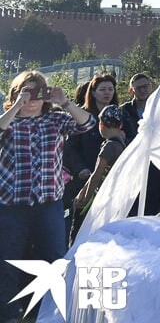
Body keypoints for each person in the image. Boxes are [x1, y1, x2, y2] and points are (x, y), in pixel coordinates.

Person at [1, 71, 94, 322]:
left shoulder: (55, 120)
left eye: (37, 93)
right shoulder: (8, 122)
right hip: (11, 205)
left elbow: (87, 123)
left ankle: (51, 311)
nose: (32, 98)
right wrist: (17, 106)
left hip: (48, 202)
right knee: (6, 260)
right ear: (15, 94)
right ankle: (8, 314)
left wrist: (64, 101)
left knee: (54, 258)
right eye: (25, 92)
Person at [72, 105, 127, 233]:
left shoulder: (109, 146)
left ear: (101, 124)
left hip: (102, 197)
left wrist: (85, 198)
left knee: (81, 231)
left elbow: (97, 174)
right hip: (116, 196)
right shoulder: (122, 143)